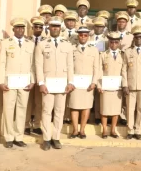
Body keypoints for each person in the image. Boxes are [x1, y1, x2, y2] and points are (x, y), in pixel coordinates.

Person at [35, 16, 75, 151]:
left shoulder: (67, 44)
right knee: (46, 111)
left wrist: (70, 82)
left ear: (60, 28)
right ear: (49, 28)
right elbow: (38, 65)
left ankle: (56, 137)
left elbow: (70, 65)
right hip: (48, 83)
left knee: (59, 111)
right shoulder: (42, 44)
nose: (55, 29)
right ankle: (46, 139)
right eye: (53, 26)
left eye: (57, 26)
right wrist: (41, 83)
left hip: (62, 84)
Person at [0, 17, 35, 148]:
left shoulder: (30, 44)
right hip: (10, 82)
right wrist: (0, 81)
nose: (20, 30)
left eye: (22, 28)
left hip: (24, 82)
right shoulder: (5, 43)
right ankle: (8, 137)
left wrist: (32, 80)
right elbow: (1, 63)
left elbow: (32, 65)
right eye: (18, 27)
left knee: (22, 109)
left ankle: (19, 137)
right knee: (8, 109)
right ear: (13, 29)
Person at [122, 26, 141, 140]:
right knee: (130, 109)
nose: (138, 38)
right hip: (130, 85)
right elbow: (124, 69)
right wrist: (124, 84)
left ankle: (138, 130)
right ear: (133, 37)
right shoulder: (128, 51)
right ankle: (130, 130)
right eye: (136, 36)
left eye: (140, 36)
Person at [68, 26, 99, 139]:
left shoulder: (94, 50)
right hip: (75, 82)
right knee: (74, 106)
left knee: (86, 106)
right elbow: (69, 66)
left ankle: (82, 130)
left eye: (85, 35)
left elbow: (96, 68)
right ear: (78, 36)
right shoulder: (72, 49)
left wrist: (94, 82)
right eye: (81, 35)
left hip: (88, 83)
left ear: (88, 37)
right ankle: (75, 130)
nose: (83, 37)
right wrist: (70, 81)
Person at [98, 32, 125, 139]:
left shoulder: (123, 55)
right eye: (111, 42)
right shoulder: (103, 54)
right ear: (109, 42)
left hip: (117, 87)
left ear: (119, 43)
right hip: (105, 86)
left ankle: (113, 129)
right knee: (104, 108)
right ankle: (104, 130)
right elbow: (99, 70)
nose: (113, 44)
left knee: (116, 109)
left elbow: (124, 71)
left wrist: (124, 85)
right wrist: (99, 85)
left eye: (116, 42)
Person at [24, 16, 45, 136]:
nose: (38, 28)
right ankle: (26, 125)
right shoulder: (27, 40)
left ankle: (37, 124)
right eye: (36, 26)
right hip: (28, 74)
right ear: (32, 28)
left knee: (39, 102)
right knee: (27, 102)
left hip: (40, 75)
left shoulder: (45, 41)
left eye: (40, 27)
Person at [89, 16, 109, 125]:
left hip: (102, 67)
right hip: (90, 66)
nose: (99, 29)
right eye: (97, 26)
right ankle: (93, 113)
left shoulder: (106, 40)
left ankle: (99, 116)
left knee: (100, 93)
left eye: (101, 27)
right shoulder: (89, 38)